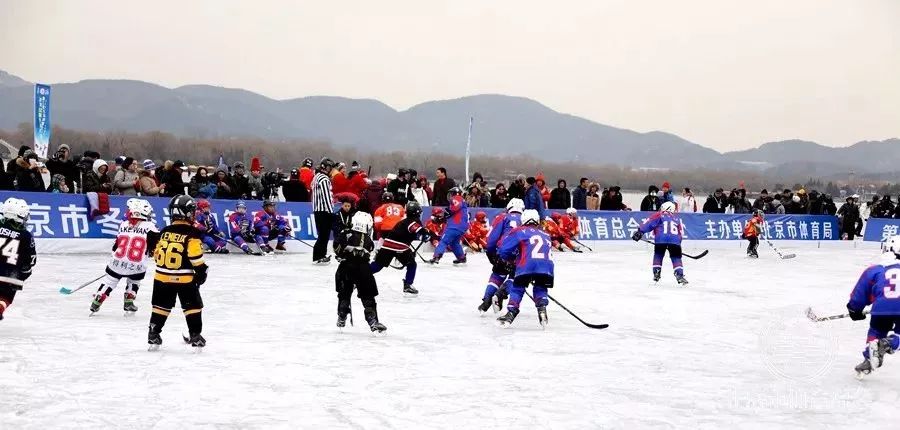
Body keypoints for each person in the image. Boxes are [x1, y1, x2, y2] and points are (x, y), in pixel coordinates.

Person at [148, 195, 208, 349]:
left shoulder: (165, 231)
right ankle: (195, 335)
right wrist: (201, 271)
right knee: (192, 306)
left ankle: (154, 332)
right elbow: (195, 257)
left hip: (161, 277)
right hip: (184, 279)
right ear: (189, 213)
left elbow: (156, 254)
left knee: (160, 306)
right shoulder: (192, 233)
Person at [89, 199, 160, 314]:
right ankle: (128, 301)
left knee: (109, 282)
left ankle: (98, 299)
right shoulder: (151, 227)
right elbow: (154, 246)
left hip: (117, 262)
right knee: (134, 282)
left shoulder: (123, 224)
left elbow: (116, 245)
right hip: (137, 265)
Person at [847, 235, 900, 377]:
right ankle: (888, 343)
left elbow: (861, 291)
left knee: (876, 331)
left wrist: (854, 309)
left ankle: (869, 360)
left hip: (881, 308)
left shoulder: (876, 269)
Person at [496, 209, 554, 328]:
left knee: (518, 287)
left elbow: (504, 250)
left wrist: (510, 260)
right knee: (540, 286)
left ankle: (511, 312)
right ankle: (542, 309)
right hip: (547, 267)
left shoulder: (520, 231)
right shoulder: (546, 234)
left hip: (527, 265)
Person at [333, 211, 387, 333]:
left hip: (345, 267)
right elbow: (370, 249)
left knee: (344, 293)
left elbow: (337, 247)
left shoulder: (344, 233)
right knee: (368, 296)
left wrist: (342, 254)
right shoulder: (367, 239)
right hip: (363, 269)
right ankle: (372, 320)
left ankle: (342, 315)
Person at [370, 201, 431, 296]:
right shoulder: (413, 221)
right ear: (417, 212)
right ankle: (408, 285)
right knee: (412, 265)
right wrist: (425, 234)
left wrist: (422, 235)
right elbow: (415, 229)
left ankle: (359, 277)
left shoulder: (403, 221)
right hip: (400, 247)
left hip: (387, 245)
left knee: (378, 266)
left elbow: (410, 233)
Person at [477, 198, 524, 313]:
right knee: (515, 278)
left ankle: (486, 300)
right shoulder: (526, 219)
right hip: (519, 254)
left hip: (503, 251)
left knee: (497, 275)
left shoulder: (502, 217)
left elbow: (492, 239)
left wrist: (491, 253)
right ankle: (501, 294)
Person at [632, 201, 688, 285]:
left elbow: (649, 223)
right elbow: (681, 233)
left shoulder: (660, 214)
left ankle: (657, 272)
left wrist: (640, 232)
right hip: (675, 241)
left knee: (658, 255)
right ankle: (679, 274)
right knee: (676, 257)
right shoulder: (677, 219)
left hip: (661, 239)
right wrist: (677, 245)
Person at [0, 198, 36, 321]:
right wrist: (24, 274)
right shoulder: (26, 235)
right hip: (12, 277)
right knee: (6, 297)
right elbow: (31, 261)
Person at [429, 187, 468, 265]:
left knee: (444, 241)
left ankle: (437, 256)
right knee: (454, 243)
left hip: (455, 226)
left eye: (451, 194)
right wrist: (440, 219)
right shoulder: (460, 205)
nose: (450, 196)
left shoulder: (457, 198)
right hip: (461, 227)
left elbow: (454, 208)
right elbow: (450, 215)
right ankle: (461, 257)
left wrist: (447, 212)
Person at [312, 157, 336, 264]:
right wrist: (331, 212)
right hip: (324, 211)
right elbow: (326, 197)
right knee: (324, 235)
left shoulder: (317, 176)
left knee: (322, 234)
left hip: (317, 210)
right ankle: (319, 256)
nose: (331, 170)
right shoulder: (324, 179)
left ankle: (319, 255)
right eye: (330, 167)